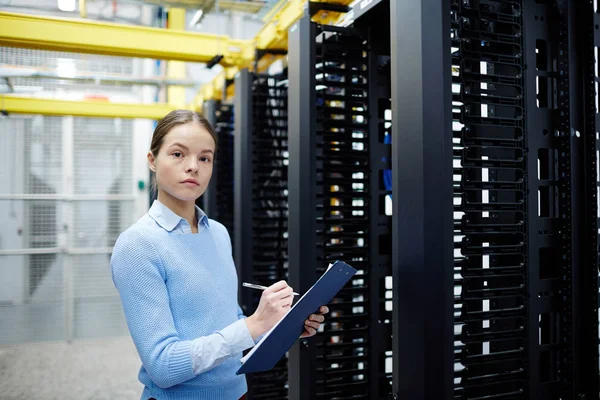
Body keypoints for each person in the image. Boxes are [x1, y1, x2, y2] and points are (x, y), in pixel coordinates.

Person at [110, 110, 329, 400]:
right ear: (152, 160)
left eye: (205, 158)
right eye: (178, 154)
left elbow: (229, 325)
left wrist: (280, 327)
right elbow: (162, 365)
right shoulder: (137, 246)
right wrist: (252, 325)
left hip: (238, 393)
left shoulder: (218, 233)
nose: (193, 167)